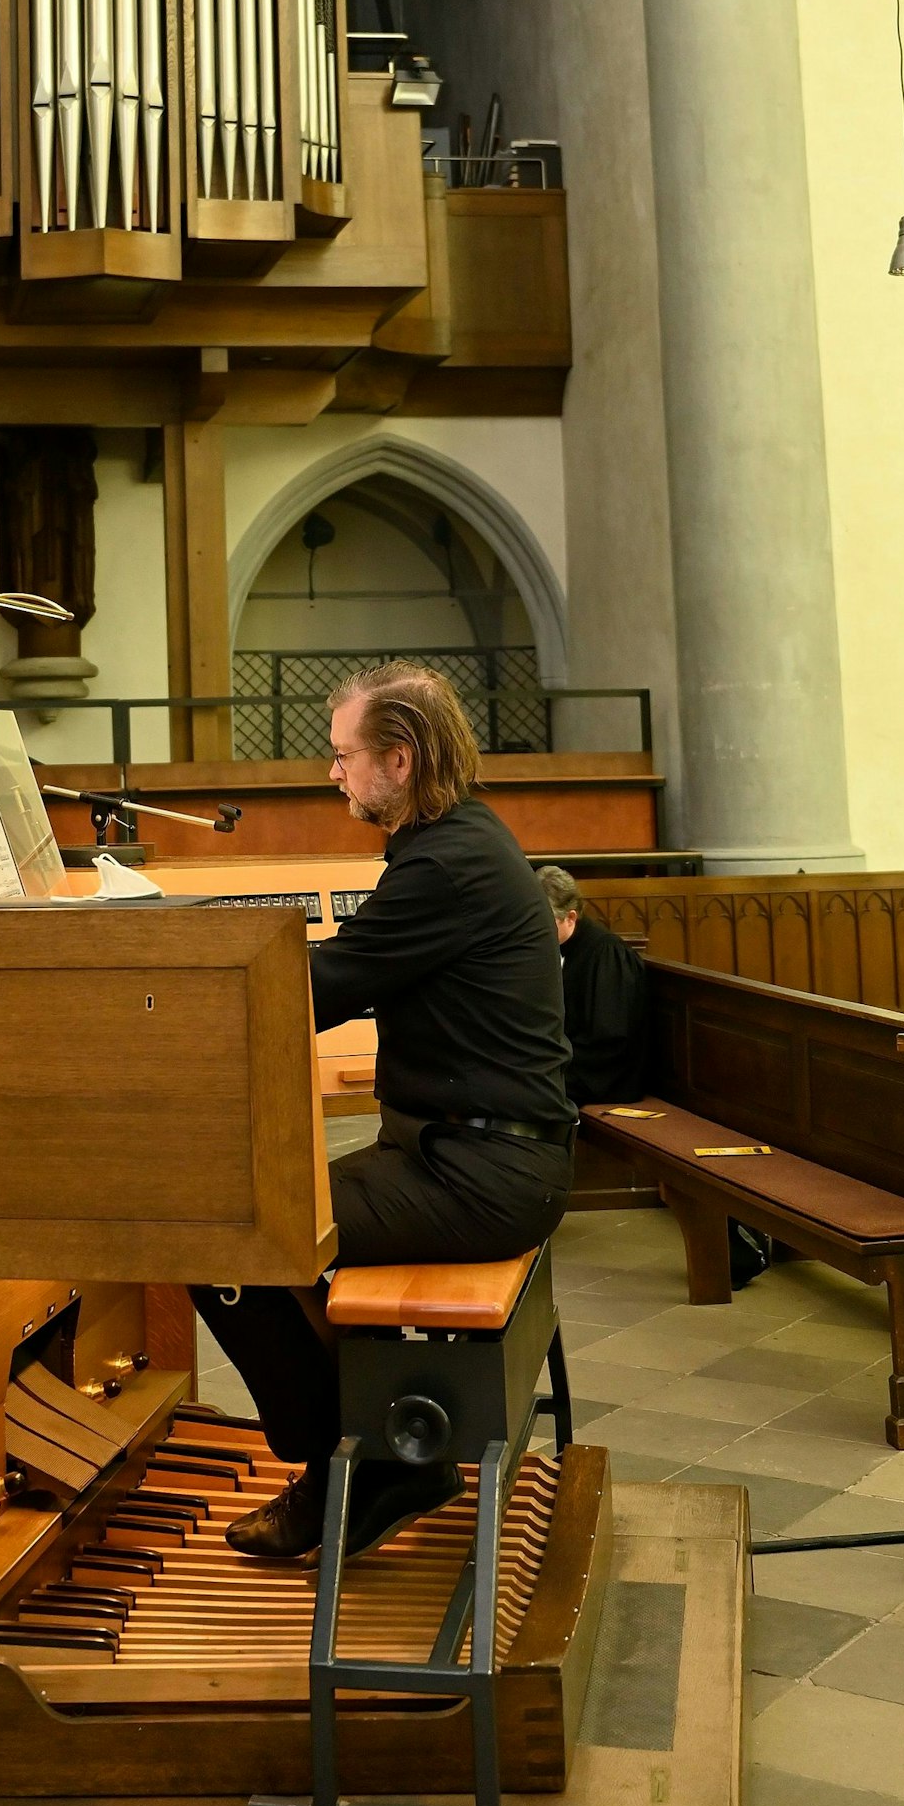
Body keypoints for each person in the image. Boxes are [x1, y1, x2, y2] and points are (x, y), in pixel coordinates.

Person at [192, 662, 575, 1567]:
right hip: (462, 1156)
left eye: (344, 756)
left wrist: (178, 991)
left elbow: (313, 991)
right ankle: (366, 1456)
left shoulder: (446, 866)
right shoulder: (455, 844)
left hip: (481, 1177)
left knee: (227, 1237)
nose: (334, 773)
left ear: (398, 762)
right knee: (266, 1219)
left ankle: (362, 1470)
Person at [538, 865, 649, 1107]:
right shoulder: (543, 950)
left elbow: (609, 1037)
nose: (536, 930)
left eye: (545, 922)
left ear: (571, 917)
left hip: (601, 1074)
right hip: (560, 1062)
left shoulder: (606, 954)